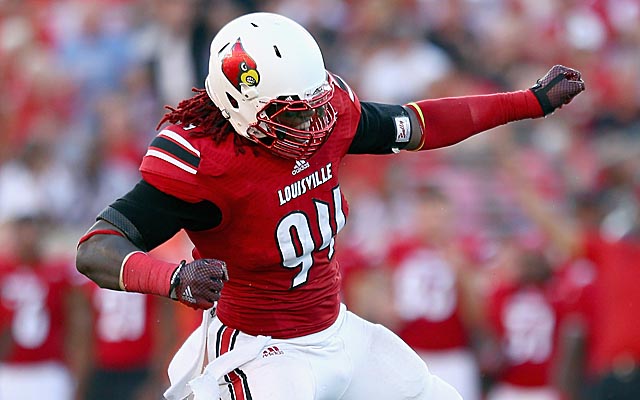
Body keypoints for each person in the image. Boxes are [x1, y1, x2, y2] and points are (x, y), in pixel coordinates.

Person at [75, 12, 585, 400]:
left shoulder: (326, 115)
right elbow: (96, 248)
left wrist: (529, 102)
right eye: (292, 115)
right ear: (240, 106)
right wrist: (172, 280)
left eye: (315, 107)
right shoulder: (207, 162)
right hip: (263, 349)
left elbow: (418, 124)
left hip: (338, 329)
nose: (314, 126)